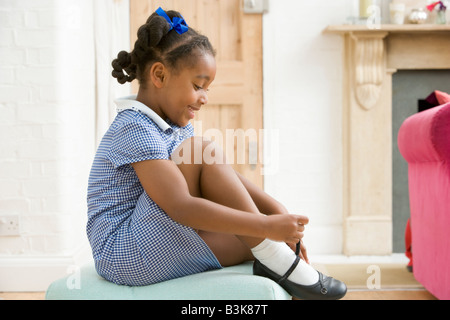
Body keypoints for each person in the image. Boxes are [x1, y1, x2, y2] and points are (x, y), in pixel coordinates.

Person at [87, 7, 346, 300]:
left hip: (155, 241)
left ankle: (284, 268)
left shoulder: (173, 123)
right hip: (125, 251)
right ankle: (284, 265)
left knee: (265, 245)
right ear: (159, 74)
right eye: (198, 86)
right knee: (201, 152)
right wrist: (264, 225)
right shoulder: (133, 126)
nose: (205, 98)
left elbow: (218, 173)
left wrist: (275, 209)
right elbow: (180, 206)